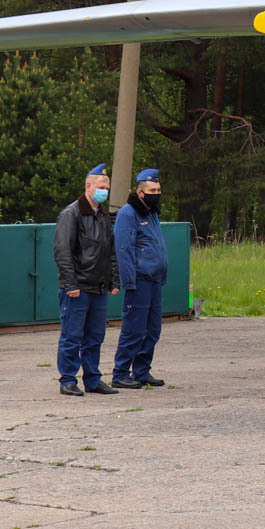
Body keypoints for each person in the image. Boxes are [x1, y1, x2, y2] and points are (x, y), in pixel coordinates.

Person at [53, 165, 119, 397]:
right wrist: (71, 285)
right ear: (88, 187)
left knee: (95, 337)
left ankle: (92, 379)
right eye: (101, 187)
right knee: (72, 335)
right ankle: (68, 379)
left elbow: (109, 250)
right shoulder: (71, 214)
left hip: (98, 287)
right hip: (78, 288)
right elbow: (63, 252)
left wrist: (113, 280)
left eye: (107, 187)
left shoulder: (102, 215)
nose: (105, 191)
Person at [110, 169, 170, 389]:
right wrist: (129, 281)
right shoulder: (128, 214)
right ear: (140, 192)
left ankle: (142, 371)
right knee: (134, 329)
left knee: (153, 329)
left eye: (159, 189)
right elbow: (124, 250)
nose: (157, 193)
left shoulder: (151, 212)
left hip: (154, 279)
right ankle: (120, 373)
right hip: (140, 279)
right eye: (152, 190)